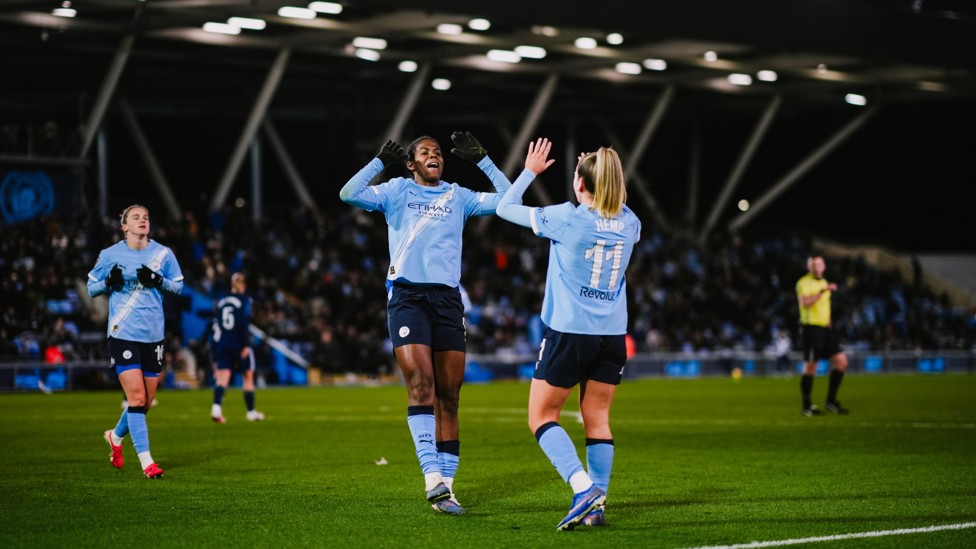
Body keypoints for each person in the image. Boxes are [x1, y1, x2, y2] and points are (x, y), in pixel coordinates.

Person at [339, 131, 511, 515]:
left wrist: (484, 161)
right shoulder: (396, 191)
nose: (433, 155)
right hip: (408, 297)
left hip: (448, 301)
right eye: (424, 152)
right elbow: (347, 194)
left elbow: (510, 201)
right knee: (422, 385)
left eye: (437, 152)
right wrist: (379, 163)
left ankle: (447, 489)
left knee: (450, 397)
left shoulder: (458, 196)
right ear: (412, 163)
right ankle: (432, 477)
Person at [497, 138, 641, 530]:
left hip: (569, 333)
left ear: (579, 185)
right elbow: (612, 202)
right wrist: (593, 171)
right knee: (597, 418)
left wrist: (530, 171)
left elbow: (503, 207)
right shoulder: (631, 223)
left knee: (541, 417)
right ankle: (597, 506)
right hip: (612, 335)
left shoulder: (565, 217)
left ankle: (583, 489)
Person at [87, 204, 184, 479]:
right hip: (123, 332)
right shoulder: (110, 254)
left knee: (145, 401)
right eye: (136, 217)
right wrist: (109, 281)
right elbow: (91, 287)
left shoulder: (163, 253)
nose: (143, 220)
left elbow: (178, 285)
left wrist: (157, 279)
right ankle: (147, 462)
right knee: (138, 397)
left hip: (153, 335)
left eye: (146, 217)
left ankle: (115, 437)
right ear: (124, 226)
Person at [796, 251, 850, 416]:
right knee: (811, 367)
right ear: (808, 266)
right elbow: (805, 303)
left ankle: (830, 402)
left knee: (841, 363)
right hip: (811, 329)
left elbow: (824, 308)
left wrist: (830, 324)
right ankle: (807, 406)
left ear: (824, 266)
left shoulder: (824, 281)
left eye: (818, 264)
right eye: (812, 264)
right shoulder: (804, 283)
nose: (816, 267)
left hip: (826, 330)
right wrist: (823, 291)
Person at [210, 272, 264, 423]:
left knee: (222, 378)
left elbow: (216, 325)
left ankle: (216, 408)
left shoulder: (221, 300)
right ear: (242, 285)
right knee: (248, 377)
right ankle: (251, 412)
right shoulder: (244, 300)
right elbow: (243, 324)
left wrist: (215, 348)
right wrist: (246, 344)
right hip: (239, 344)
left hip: (223, 343)